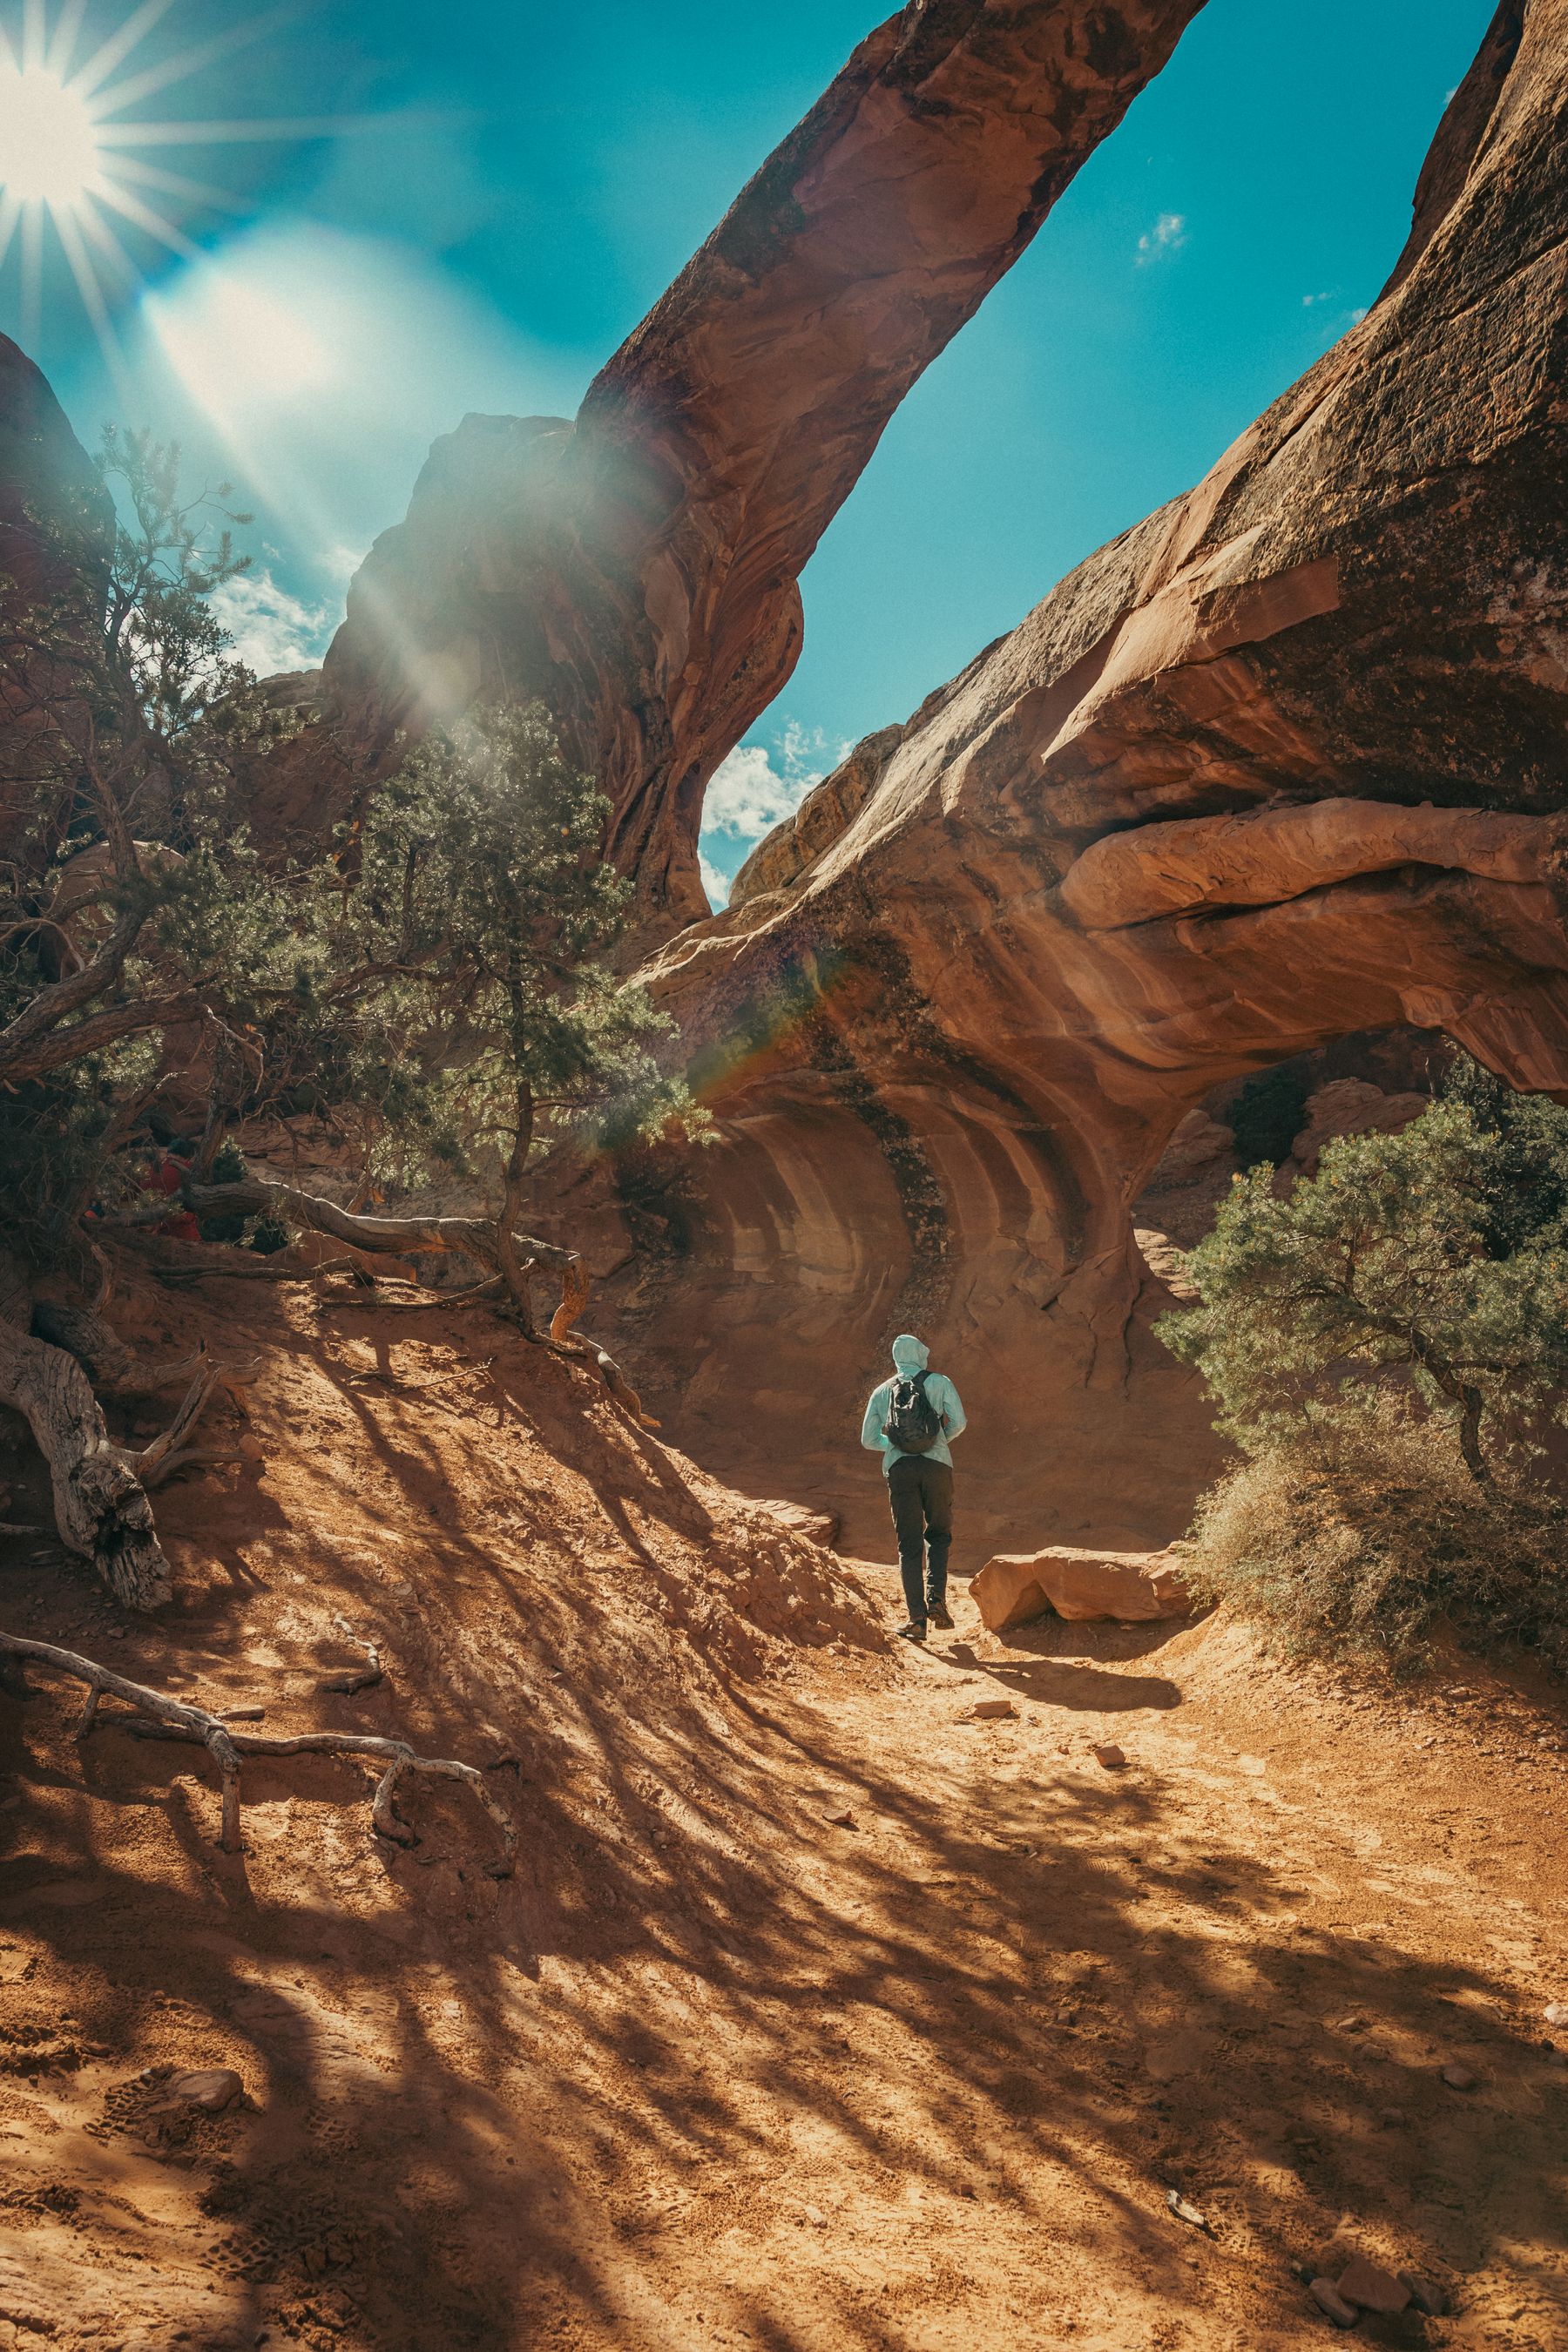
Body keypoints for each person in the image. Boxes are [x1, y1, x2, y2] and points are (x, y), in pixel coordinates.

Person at [860, 1333, 966, 1643]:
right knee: (939, 1534)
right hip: (937, 1467)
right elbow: (959, 1422)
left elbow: (868, 1439)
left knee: (909, 1545)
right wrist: (937, 1440)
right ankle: (936, 1599)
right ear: (919, 1355)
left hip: (900, 1470)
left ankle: (917, 1621)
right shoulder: (940, 1382)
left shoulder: (882, 1391)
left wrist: (897, 1445)